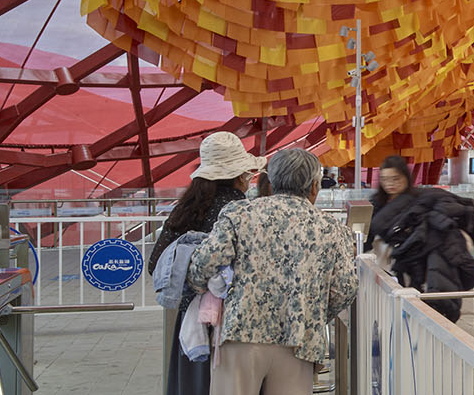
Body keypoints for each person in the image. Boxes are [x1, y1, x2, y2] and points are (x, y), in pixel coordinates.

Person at [187, 147, 357, 395]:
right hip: (300, 339)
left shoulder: (239, 214)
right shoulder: (331, 227)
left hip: (241, 333)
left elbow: (202, 264)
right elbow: (345, 288)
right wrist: (315, 312)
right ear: (313, 187)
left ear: (272, 182)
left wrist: (202, 287)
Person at [148, 131, 266, 395]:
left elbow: (155, 263)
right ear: (240, 175)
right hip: (238, 323)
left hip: (191, 323)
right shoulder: (244, 210)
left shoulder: (186, 209)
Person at [367, 155, 474, 321]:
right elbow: (369, 233)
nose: (390, 184)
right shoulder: (377, 205)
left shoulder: (422, 198)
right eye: (385, 179)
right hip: (395, 264)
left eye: (395, 179)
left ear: (405, 177)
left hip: (422, 263)